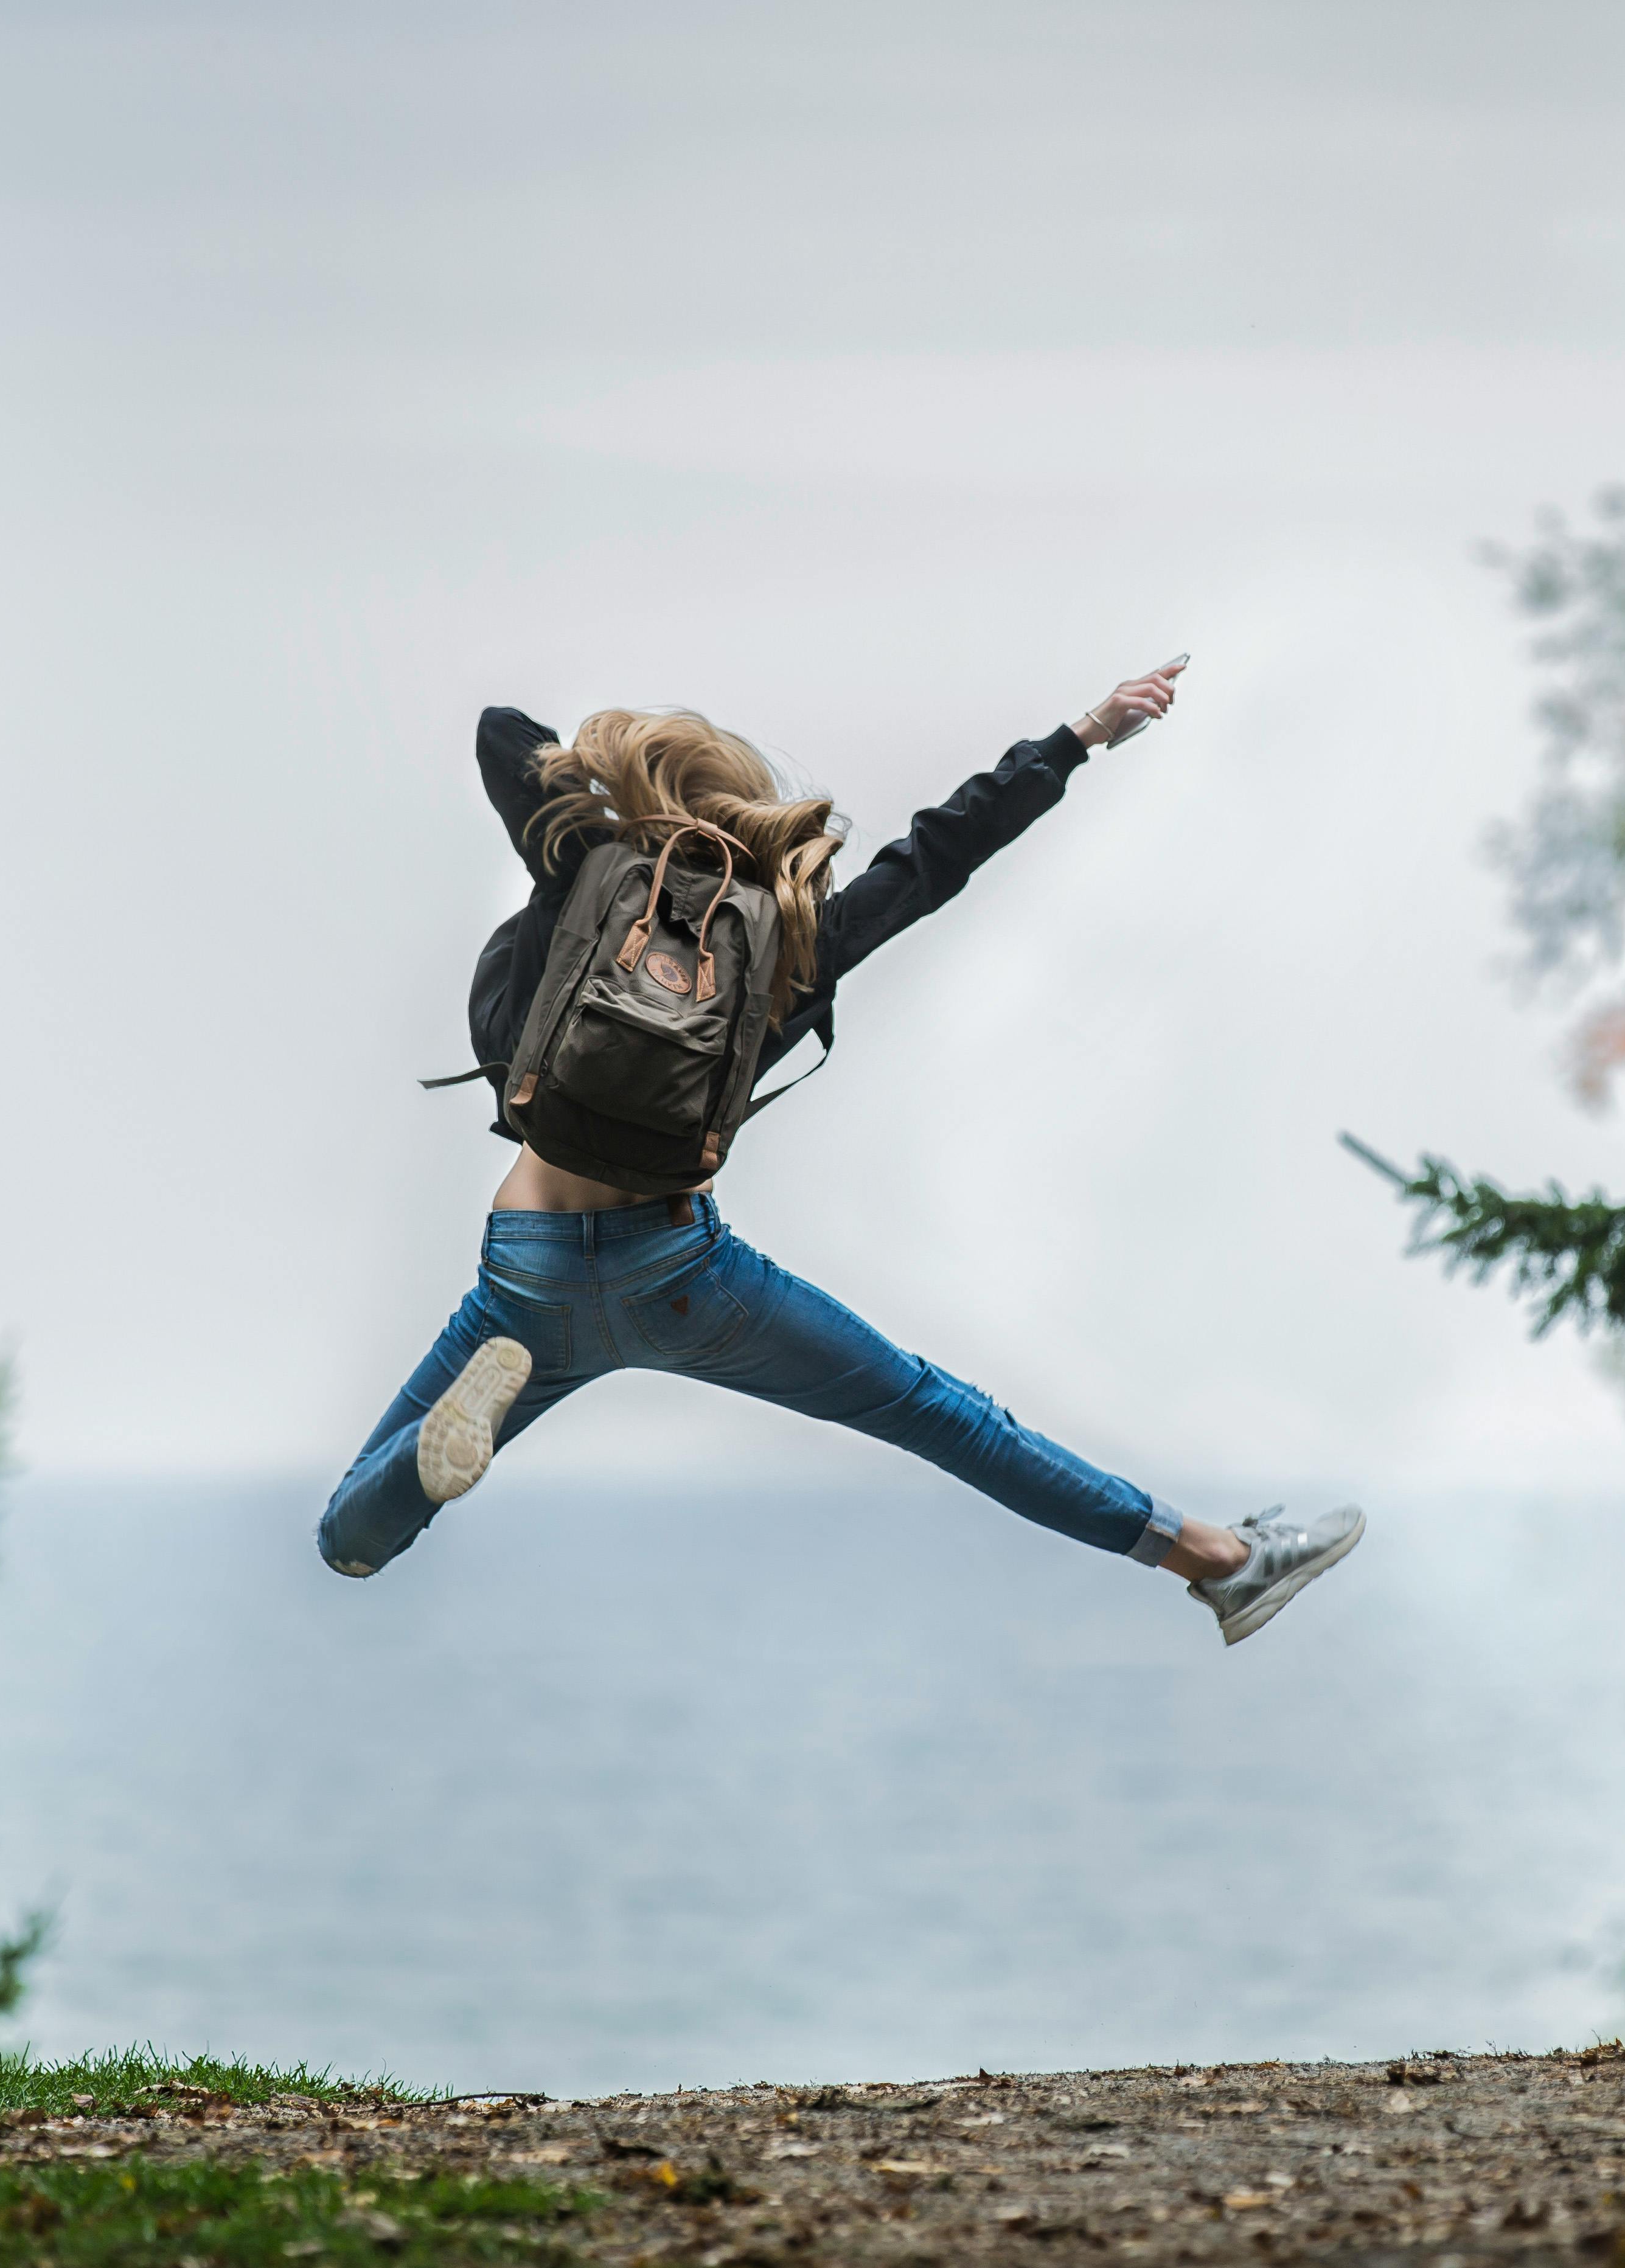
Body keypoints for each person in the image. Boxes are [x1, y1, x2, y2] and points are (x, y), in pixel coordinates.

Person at [313, 659, 1363, 1645]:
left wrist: (616, 793)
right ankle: (1216, 1561)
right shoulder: (789, 940)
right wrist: (1081, 736)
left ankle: (427, 1462)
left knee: (348, 1541)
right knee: (941, 1416)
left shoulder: (585, 871)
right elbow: (936, 858)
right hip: (681, 1274)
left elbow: (506, 735)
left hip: (528, 1272)